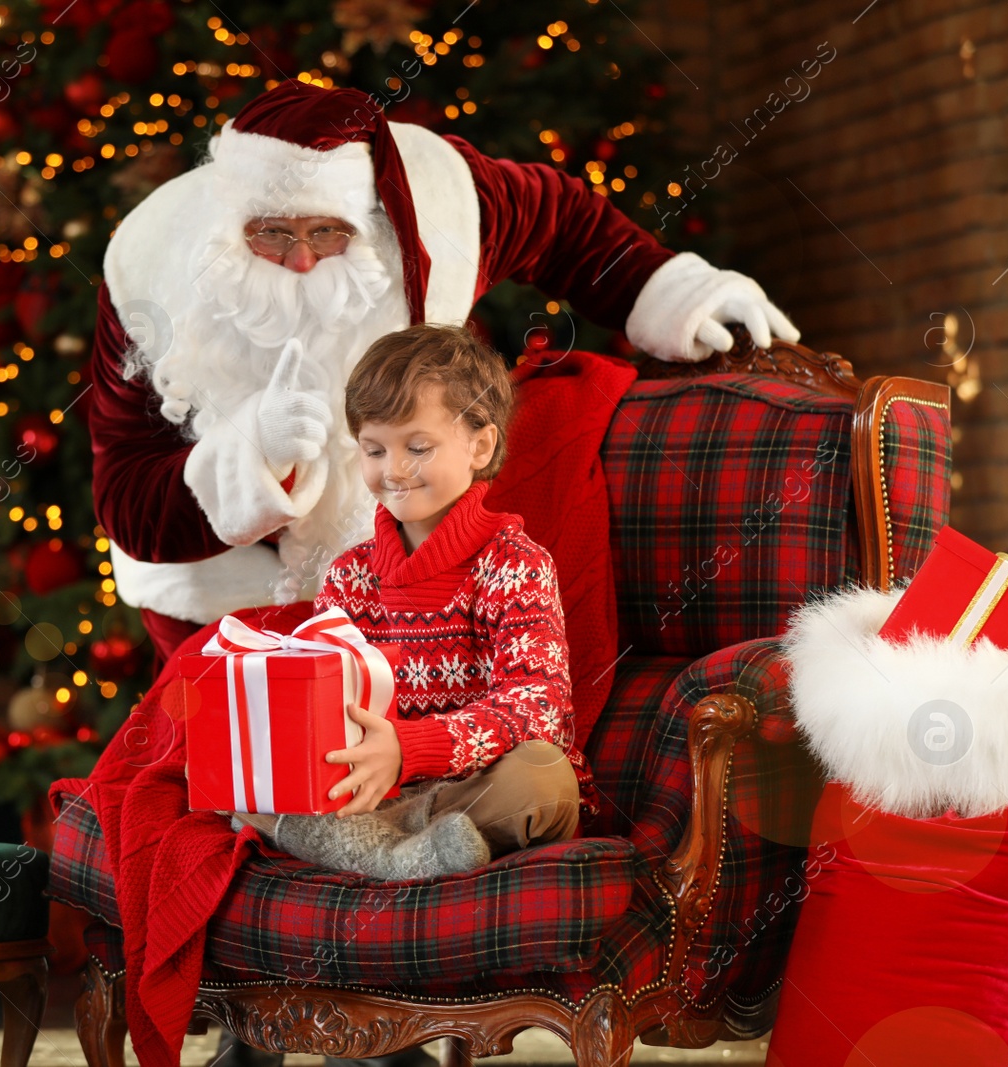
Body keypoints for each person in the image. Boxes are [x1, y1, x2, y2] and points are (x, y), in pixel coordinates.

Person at [87, 79, 801, 667]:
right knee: (259, 772)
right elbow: (124, 493)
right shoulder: (147, 272)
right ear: (229, 226)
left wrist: (669, 288)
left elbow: (565, 226)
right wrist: (251, 458)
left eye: (326, 233)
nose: (301, 260)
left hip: (413, 570)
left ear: (367, 218)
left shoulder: (438, 207)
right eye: (271, 234)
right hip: (225, 606)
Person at [235, 321, 585, 884]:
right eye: (375, 450)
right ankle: (397, 848)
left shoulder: (513, 564)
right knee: (249, 778)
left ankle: (369, 844)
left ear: (480, 444)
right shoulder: (351, 576)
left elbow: (539, 705)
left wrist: (410, 747)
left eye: (417, 447)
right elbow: (323, 703)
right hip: (370, 790)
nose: (393, 470)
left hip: (471, 789)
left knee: (543, 780)